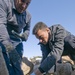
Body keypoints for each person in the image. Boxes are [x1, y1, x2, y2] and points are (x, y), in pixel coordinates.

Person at [0, 0, 31, 75]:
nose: (24, 6)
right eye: (22, 1)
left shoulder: (28, 16)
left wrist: (25, 35)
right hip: (3, 38)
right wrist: (9, 47)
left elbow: (27, 29)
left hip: (17, 41)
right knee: (5, 64)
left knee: (17, 65)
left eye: (27, 3)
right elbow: (1, 25)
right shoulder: (4, 3)